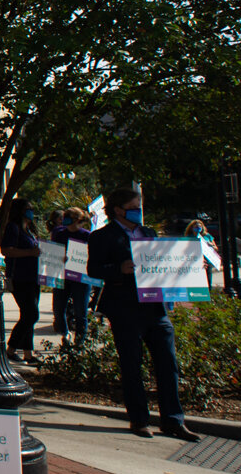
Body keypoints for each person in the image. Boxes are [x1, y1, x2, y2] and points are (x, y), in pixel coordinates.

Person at [86, 187, 197, 441]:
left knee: (168, 365)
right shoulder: (103, 237)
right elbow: (93, 269)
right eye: (134, 207)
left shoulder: (148, 233)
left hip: (155, 307)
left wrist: (189, 266)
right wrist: (118, 269)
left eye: (139, 207)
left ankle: (173, 421)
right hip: (125, 308)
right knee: (132, 365)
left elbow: (161, 264)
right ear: (118, 210)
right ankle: (139, 419)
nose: (138, 212)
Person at [2, 199, 43, 363]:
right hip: (20, 278)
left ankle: (28, 354)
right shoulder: (13, 228)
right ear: (19, 211)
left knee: (28, 315)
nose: (31, 212)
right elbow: (6, 250)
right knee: (31, 314)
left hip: (33, 277)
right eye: (28, 209)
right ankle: (11, 349)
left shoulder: (30, 230)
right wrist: (29, 253)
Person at [53, 207, 92, 339]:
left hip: (81, 278)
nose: (65, 219)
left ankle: (80, 340)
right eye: (65, 216)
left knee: (81, 312)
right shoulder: (59, 234)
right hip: (62, 276)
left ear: (77, 219)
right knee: (58, 310)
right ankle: (65, 334)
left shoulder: (87, 235)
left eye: (69, 216)